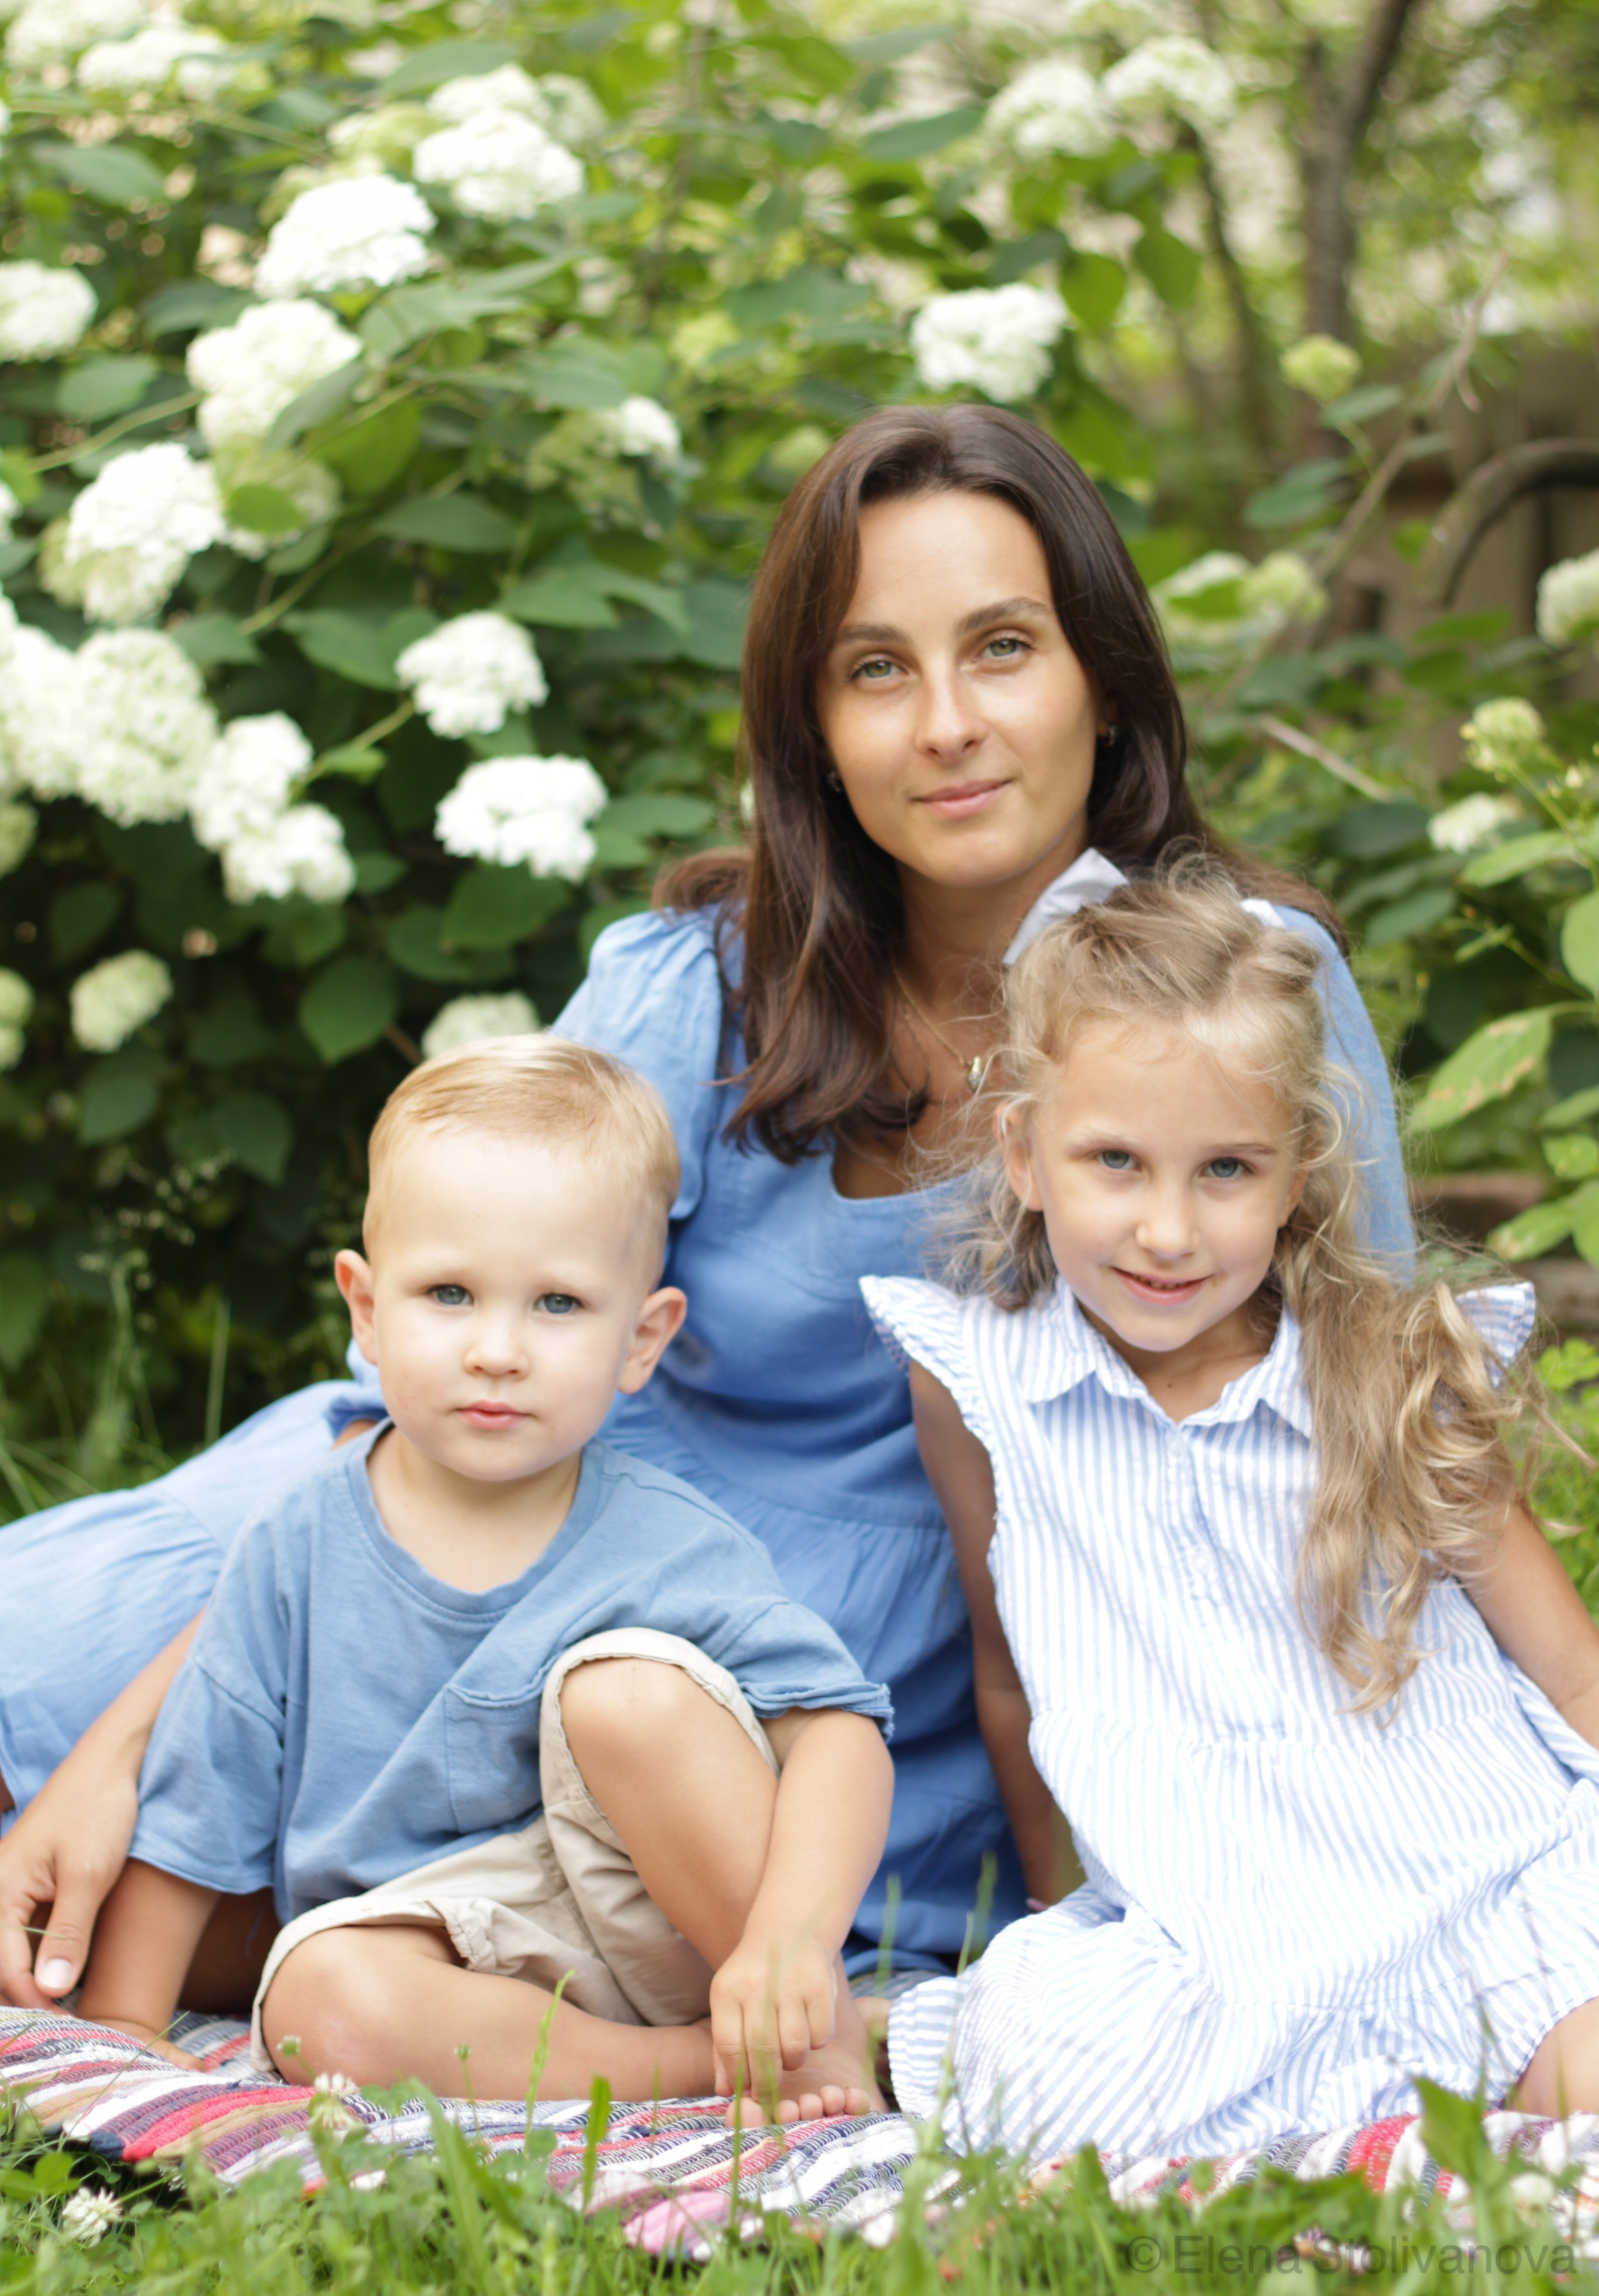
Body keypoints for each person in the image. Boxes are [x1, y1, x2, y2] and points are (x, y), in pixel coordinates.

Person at [0, 404, 1412, 2010]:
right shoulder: (695, 982)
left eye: (1002, 647)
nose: (945, 722)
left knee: (349, 1904)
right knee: (46, 1733)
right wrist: (132, 1741)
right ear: (809, 725)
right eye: (875, 667)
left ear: (1103, 675)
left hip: (802, 1683)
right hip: (457, 1517)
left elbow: (1359, 1424)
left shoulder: (1249, 995)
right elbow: (478, 1325)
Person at [861, 870, 1599, 2162]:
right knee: (1043, 2084)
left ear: (1294, 1171)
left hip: (1485, 1882)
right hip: (1219, 1930)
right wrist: (1064, 1918)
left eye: (1223, 1169)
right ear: (1023, 1154)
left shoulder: (1386, 1365)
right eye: (1112, 1162)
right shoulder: (980, 1385)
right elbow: (1011, 1684)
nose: (1165, 1228)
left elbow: (1573, 1675)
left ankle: (1468, 2103)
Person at [79, 1034, 894, 2120]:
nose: (498, 1350)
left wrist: (791, 1937)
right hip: (435, 1962)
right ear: (366, 1311)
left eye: (558, 1305)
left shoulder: (664, 1538)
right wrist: (126, 2030)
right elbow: (198, 1794)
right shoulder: (300, 1540)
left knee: (633, 1694)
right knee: (320, 2005)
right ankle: (712, 2070)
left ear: (641, 1340)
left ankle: (807, 2035)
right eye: (450, 1294)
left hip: (653, 1922)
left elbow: (838, 1730)